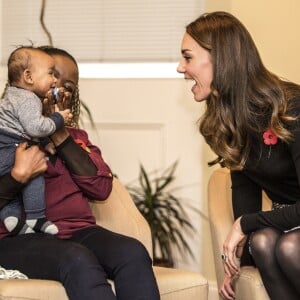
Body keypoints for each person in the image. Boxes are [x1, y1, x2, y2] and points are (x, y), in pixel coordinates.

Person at [0, 46, 160, 300]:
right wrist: (16, 177)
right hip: (17, 238)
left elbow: (101, 188)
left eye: (68, 86)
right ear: (30, 79)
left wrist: (59, 133)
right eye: (52, 77)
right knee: (77, 258)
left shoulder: (76, 138)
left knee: (132, 252)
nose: (59, 88)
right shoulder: (5, 137)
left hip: (79, 232)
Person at [177, 11, 300, 300]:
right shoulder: (225, 123)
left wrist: (244, 225)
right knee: (264, 242)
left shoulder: (290, 109)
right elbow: (245, 196)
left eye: (188, 57)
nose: (180, 68)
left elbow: (245, 220)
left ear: (220, 59)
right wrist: (236, 264)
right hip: (289, 221)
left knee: (288, 246)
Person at [0, 46, 72, 236]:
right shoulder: (29, 99)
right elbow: (35, 128)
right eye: (50, 73)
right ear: (29, 77)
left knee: (10, 178)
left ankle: (10, 216)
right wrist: (58, 119)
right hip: (8, 146)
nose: (55, 80)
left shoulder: (13, 95)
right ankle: (36, 216)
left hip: (5, 147)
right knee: (35, 168)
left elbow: (25, 130)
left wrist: (45, 143)